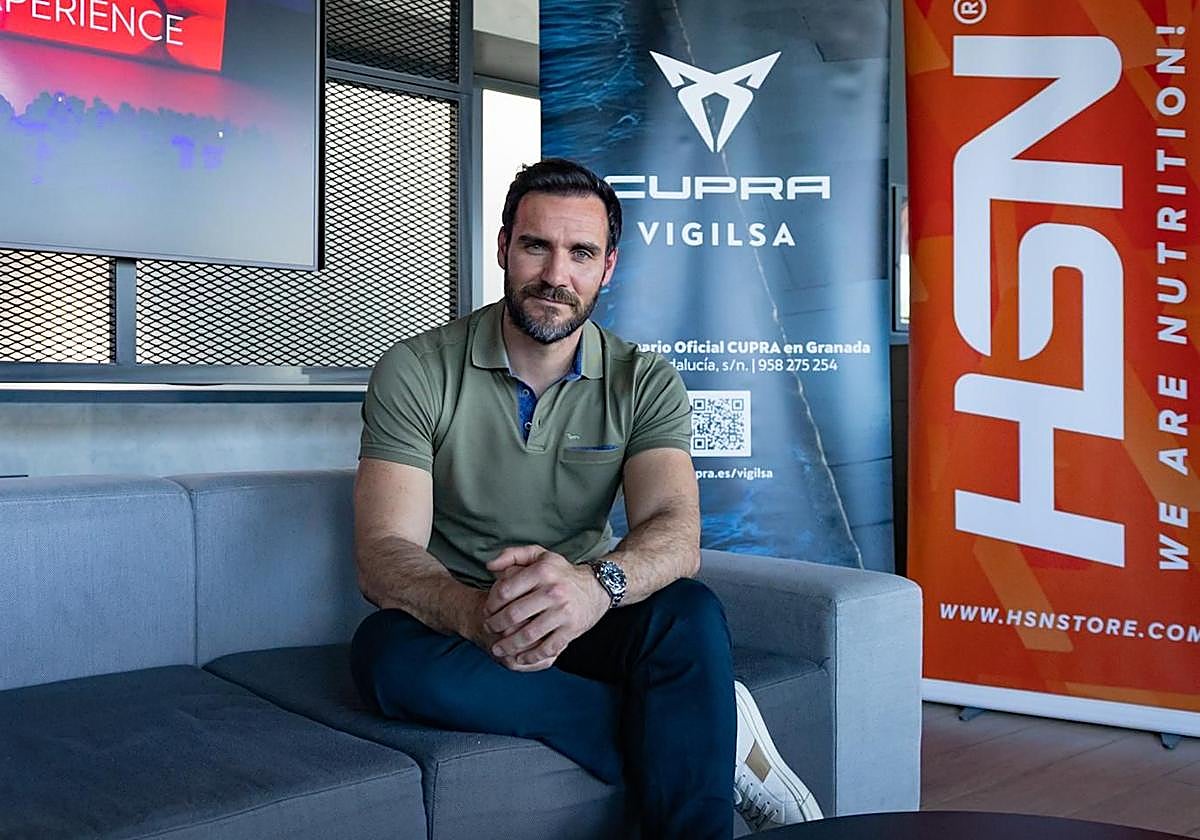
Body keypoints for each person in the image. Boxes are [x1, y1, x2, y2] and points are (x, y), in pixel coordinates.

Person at [349, 158, 821, 837]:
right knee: (382, 656)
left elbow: (675, 529)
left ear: (608, 267)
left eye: (581, 253)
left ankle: (692, 748)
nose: (555, 275)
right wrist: (476, 613)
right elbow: (384, 551)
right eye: (535, 246)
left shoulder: (644, 380)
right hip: (466, 618)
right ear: (503, 247)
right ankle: (709, 738)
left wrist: (593, 587)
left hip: (590, 609)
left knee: (687, 612)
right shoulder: (417, 370)